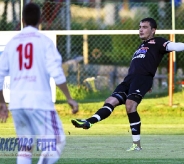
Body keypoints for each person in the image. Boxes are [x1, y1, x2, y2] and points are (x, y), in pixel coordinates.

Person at [0, 3, 78, 164]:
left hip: (18, 102)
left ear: (22, 19)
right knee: (58, 142)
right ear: (40, 20)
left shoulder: (12, 42)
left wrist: (2, 103)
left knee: (25, 146)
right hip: (39, 101)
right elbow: (57, 73)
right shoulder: (44, 41)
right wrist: (69, 98)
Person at [71, 17, 184, 151]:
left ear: (153, 30)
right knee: (110, 100)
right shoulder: (140, 46)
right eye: (140, 27)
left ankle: (136, 145)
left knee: (130, 105)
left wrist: (145, 83)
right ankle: (89, 122)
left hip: (142, 79)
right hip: (129, 80)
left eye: (145, 27)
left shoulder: (158, 41)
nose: (141, 30)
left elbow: (177, 46)